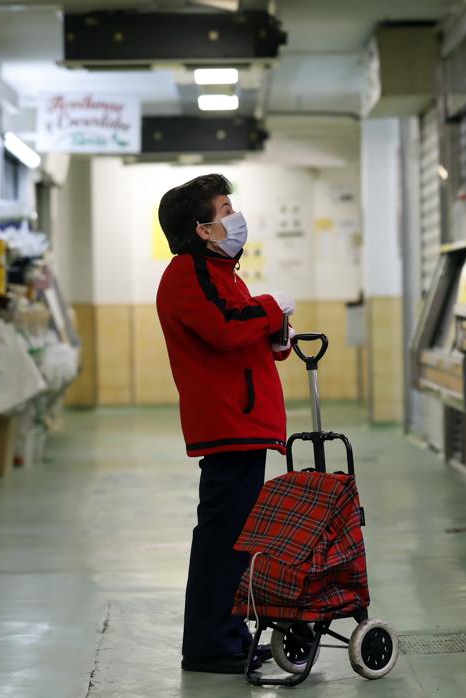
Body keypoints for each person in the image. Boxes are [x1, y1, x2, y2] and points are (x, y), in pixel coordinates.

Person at [155, 174, 296, 674]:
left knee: (235, 536)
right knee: (223, 535)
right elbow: (221, 327)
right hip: (227, 422)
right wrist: (272, 307)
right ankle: (210, 644)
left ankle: (228, 636)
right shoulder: (187, 272)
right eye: (225, 208)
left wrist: (275, 336)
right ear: (203, 228)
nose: (235, 216)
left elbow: (237, 328)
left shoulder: (220, 272)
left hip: (243, 419)